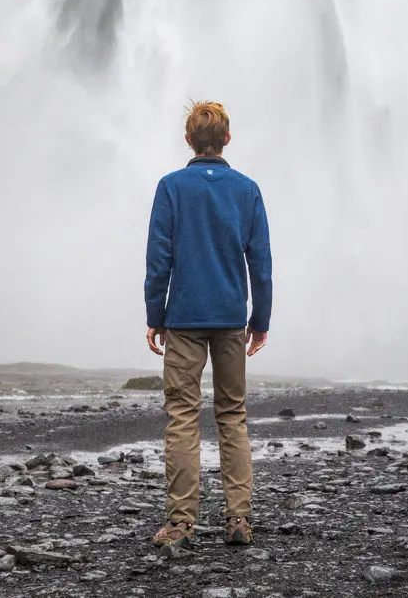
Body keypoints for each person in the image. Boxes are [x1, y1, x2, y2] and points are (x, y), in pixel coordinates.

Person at [144, 101, 273, 549]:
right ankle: (238, 520)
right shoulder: (247, 189)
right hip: (231, 317)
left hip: (183, 318)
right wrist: (261, 320)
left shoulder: (171, 187)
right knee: (232, 415)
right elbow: (261, 262)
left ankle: (181, 523)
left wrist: (154, 314)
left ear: (188, 141)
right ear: (227, 140)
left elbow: (159, 258)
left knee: (181, 415)